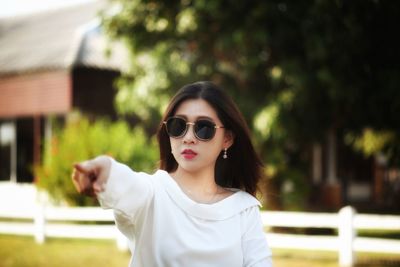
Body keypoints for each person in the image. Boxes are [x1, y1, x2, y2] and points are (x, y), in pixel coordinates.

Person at [72, 81, 273, 267]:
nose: (188, 138)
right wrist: (101, 168)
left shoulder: (243, 209)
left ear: (227, 139)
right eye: (179, 125)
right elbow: (124, 181)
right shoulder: (150, 194)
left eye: (204, 128)